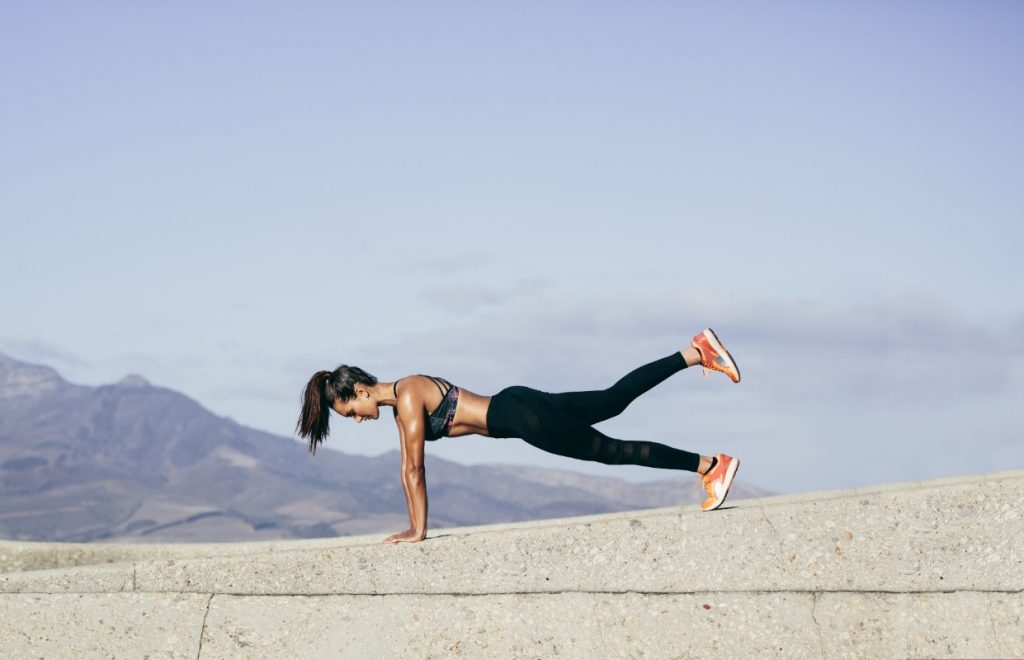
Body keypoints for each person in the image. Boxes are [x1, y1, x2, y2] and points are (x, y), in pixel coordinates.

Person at [295, 328, 741, 544]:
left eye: (350, 411)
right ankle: (695, 351)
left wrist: (418, 530)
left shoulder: (408, 397)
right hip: (517, 404)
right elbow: (409, 468)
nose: (356, 419)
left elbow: (413, 469)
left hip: (520, 418)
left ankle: (709, 466)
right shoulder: (403, 402)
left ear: (358, 391)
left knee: (609, 451)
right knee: (611, 400)